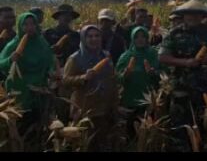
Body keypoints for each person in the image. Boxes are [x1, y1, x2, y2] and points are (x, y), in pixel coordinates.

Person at [158, 0, 207, 152]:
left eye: (196, 14)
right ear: (184, 16)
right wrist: (186, 62)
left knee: (202, 125)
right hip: (180, 87)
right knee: (179, 127)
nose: (192, 17)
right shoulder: (174, 33)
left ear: (202, 16)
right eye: (189, 14)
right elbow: (162, 57)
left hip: (203, 88)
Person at [0, 12, 56, 150]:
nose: (29, 27)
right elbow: (1, 63)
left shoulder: (42, 43)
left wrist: (52, 71)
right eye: (25, 24)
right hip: (19, 91)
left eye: (32, 24)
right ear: (20, 26)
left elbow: (50, 60)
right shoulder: (12, 45)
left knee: (39, 122)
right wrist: (10, 60)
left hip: (39, 90)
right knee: (21, 124)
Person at [63, 25, 118, 152]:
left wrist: (115, 104)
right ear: (83, 39)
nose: (94, 39)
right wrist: (83, 77)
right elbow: (65, 81)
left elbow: (112, 80)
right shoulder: (75, 58)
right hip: (84, 110)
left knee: (103, 144)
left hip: (104, 109)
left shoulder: (106, 55)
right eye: (90, 36)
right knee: (85, 144)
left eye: (97, 36)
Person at [116, 26, 160, 140]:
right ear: (132, 39)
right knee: (131, 131)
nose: (140, 39)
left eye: (143, 37)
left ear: (147, 38)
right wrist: (125, 74)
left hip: (150, 99)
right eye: (136, 37)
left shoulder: (153, 54)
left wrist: (154, 73)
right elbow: (117, 77)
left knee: (148, 131)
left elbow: (164, 74)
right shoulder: (126, 56)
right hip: (130, 98)